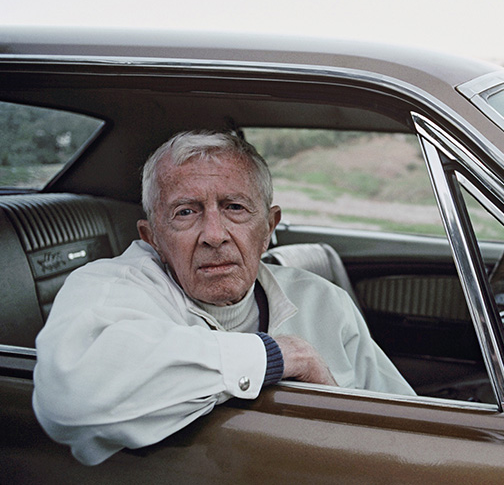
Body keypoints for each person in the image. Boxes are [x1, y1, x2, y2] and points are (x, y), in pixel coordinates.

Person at [32, 131, 414, 466]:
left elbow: (412, 431)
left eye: (234, 207)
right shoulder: (107, 287)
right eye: (185, 212)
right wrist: (280, 356)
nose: (214, 234)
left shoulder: (323, 301)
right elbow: (72, 398)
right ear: (152, 238)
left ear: (268, 228)